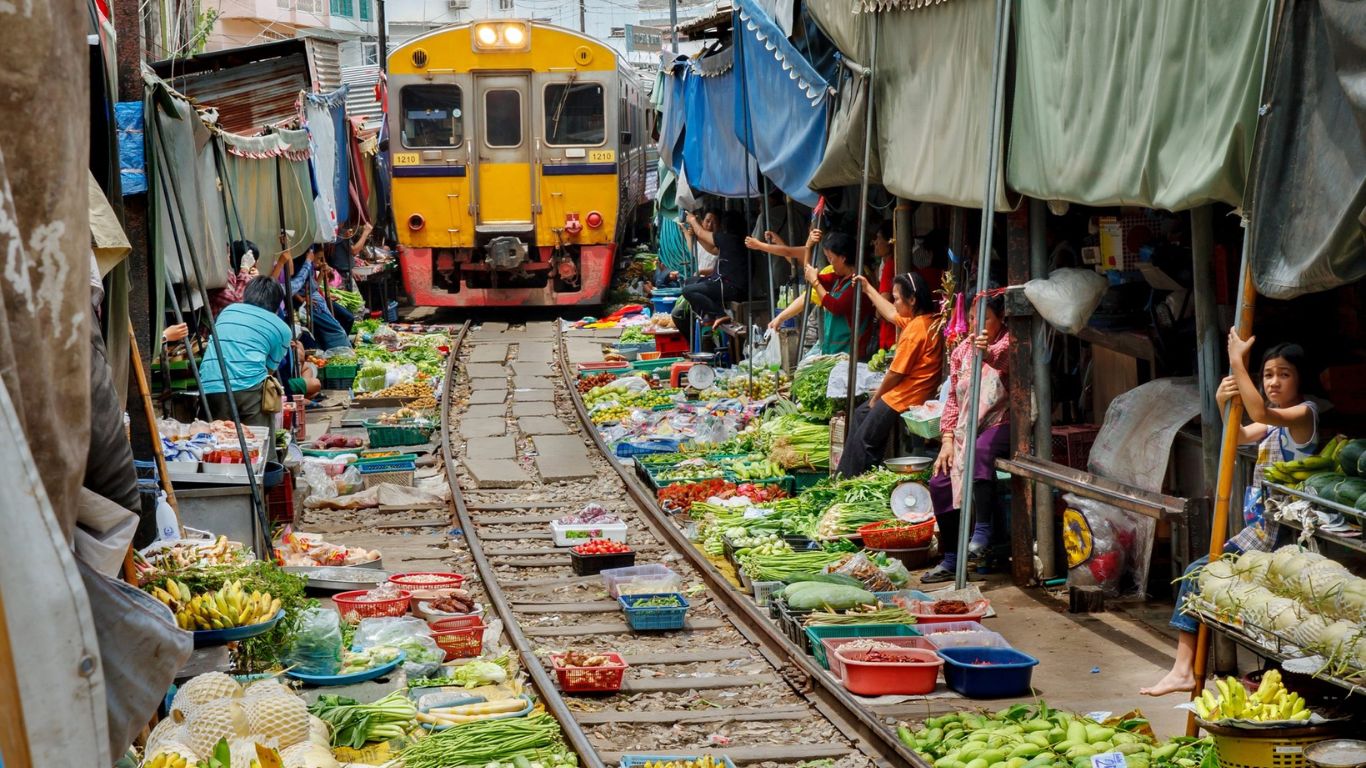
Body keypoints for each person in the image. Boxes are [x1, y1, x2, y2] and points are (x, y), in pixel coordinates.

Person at [1140, 337, 1318, 696]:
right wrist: (1224, 404)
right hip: (1261, 534)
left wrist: (1238, 363)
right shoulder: (1272, 426)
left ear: (1301, 381)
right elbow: (1237, 436)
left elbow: (1261, 413)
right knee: (1198, 574)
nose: (1273, 382)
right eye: (1267, 374)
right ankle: (1183, 670)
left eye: (1284, 375)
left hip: (1284, 540)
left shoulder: (1304, 415)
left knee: (1197, 572)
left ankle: (1183, 670)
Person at [921, 287, 1012, 584]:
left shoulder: (1011, 342)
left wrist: (987, 351)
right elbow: (952, 401)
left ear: (1000, 319)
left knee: (981, 452)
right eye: (973, 319)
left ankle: (982, 529)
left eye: (984, 319)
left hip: (1002, 421)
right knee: (939, 479)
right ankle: (950, 558)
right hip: (965, 427)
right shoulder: (961, 352)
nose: (976, 326)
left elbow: (1003, 361)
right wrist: (946, 441)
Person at [836, 272, 942, 477]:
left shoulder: (916, 330)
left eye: (897, 298)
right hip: (904, 393)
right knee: (860, 414)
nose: (894, 303)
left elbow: (895, 374)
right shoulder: (925, 320)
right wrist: (868, 288)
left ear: (912, 299)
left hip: (905, 397)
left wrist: (876, 397)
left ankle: (851, 481)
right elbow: (892, 314)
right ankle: (844, 475)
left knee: (864, 441)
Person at [198, 276, 293, 431]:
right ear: (277, 305)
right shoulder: (282, 329)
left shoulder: (228, 311)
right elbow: (270, 369)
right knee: (258, 440)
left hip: (209, 384)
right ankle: (268, 455)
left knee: (220, 442)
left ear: (247, 295)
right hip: (248, 386)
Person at [670, 208, 750, 344]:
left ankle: (719, 314)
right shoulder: (734, 239)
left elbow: (702, 233)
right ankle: (706, 313)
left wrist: (693, 220)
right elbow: (712, 249)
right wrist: (695, 233)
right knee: (690, 282)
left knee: (687, 290)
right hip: (726, 283)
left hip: (730, 287)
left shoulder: (728, 238)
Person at [801, 231, 876, 358]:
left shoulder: (858, 283)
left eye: (831, 258)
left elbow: (836, 307)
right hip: (834, 351)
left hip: (851, 354)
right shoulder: (838, 278)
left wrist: (814, 281)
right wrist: (808, 247)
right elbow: (810, 276)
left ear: (843, 258)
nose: (830, 263)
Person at [872, 221, 899, 351]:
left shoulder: (890, 266)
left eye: (879, 238)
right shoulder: (888, 265)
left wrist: (877, 312)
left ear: (890, 242)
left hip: (890, 332)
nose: (875, 243)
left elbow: (883, 303)